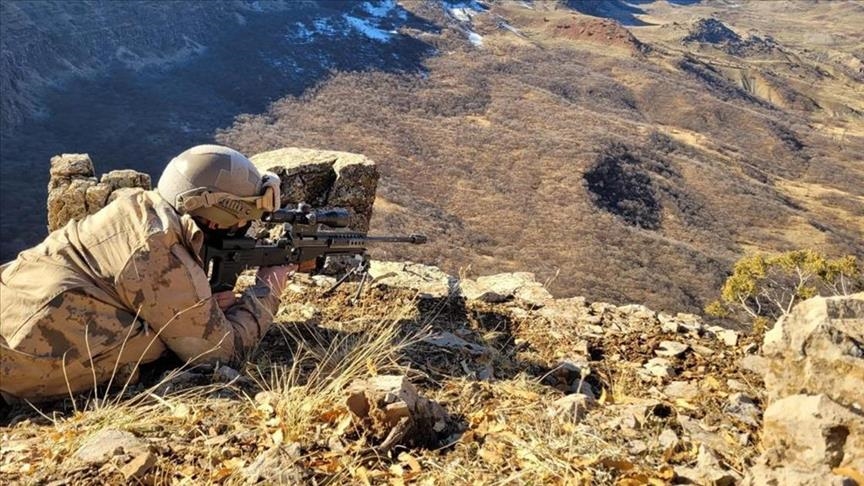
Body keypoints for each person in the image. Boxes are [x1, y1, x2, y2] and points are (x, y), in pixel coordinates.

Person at [0, 145, 294, 403]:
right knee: (156, 343)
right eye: (243, 218)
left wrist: (203, 307)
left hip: (14, 313)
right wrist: (268, 289)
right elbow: (217, 353)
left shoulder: (139, 208)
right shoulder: (159, 251)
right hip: (13, 366)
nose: (244, 227)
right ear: (217, 218)